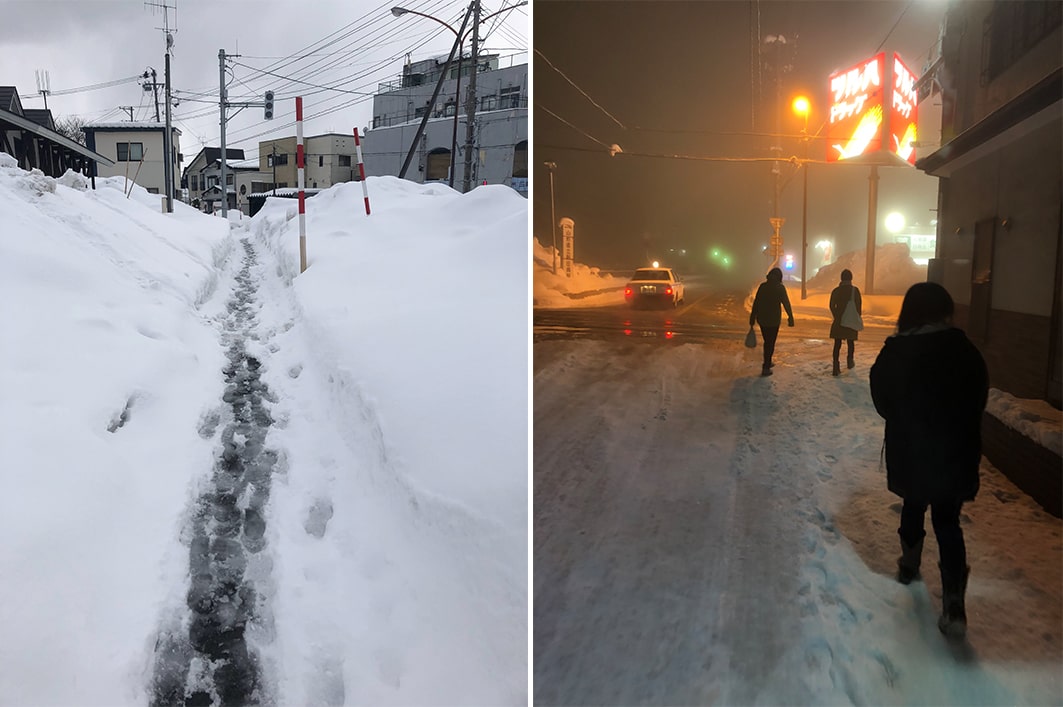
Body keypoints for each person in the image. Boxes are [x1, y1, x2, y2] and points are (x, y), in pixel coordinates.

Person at [869, 282, 988, 639]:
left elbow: (881, 400)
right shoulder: (965, 350)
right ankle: (954, 604)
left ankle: (908, 565)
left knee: (913, 504)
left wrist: (906, 419)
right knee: (948, 521)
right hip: (955, 450)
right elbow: (978, 398)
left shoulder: (896, 351)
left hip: (912, 448)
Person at [749, 267, 795, 376]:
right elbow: (786, 303)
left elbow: (756, 303)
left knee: (767, 341)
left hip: (762, 319)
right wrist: (790, 317)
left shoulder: (762, 287)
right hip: (774, 320)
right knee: (770, 342)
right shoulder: (780, 288)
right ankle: (766, 366)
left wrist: (752, 317)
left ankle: (768, 362)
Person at [828, 269, 862, 376]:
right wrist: (855, 317)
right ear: (851, 278)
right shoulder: (855, 291)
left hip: (839, 320)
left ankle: (835, 366)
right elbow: (858, 307)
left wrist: (837, 316)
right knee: (850, 342)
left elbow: (831, 305)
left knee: (837, 344)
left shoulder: (836, 291)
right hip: (850, 320)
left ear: (841, 278)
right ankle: (850, 361)